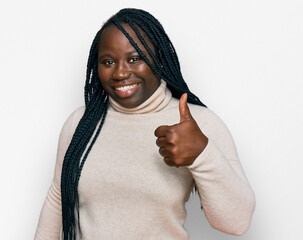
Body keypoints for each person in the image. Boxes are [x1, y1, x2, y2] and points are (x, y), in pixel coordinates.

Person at [35, 8, 255, 240]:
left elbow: (237, 223)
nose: (120, 73)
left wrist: (202, 154)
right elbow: (57, 200)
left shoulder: (199, 123)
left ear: (159, 60)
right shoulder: (80, 124)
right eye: (108, 61)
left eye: (134, 58)